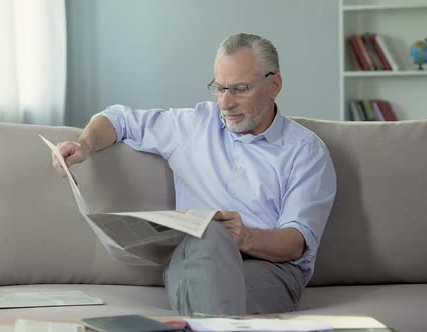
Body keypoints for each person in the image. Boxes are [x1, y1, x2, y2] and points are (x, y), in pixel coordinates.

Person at [52, 33, 336, 315]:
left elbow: (296, 243)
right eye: (219, 88)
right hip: (192, 260)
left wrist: (243, 236)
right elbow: (118, 119)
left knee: (208, 277)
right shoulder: (192, 125)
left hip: (269, 272)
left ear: (274, 85)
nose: (226, 103)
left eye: (240, 88)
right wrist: (83, 144)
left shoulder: (306, 151)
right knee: (208, 237)